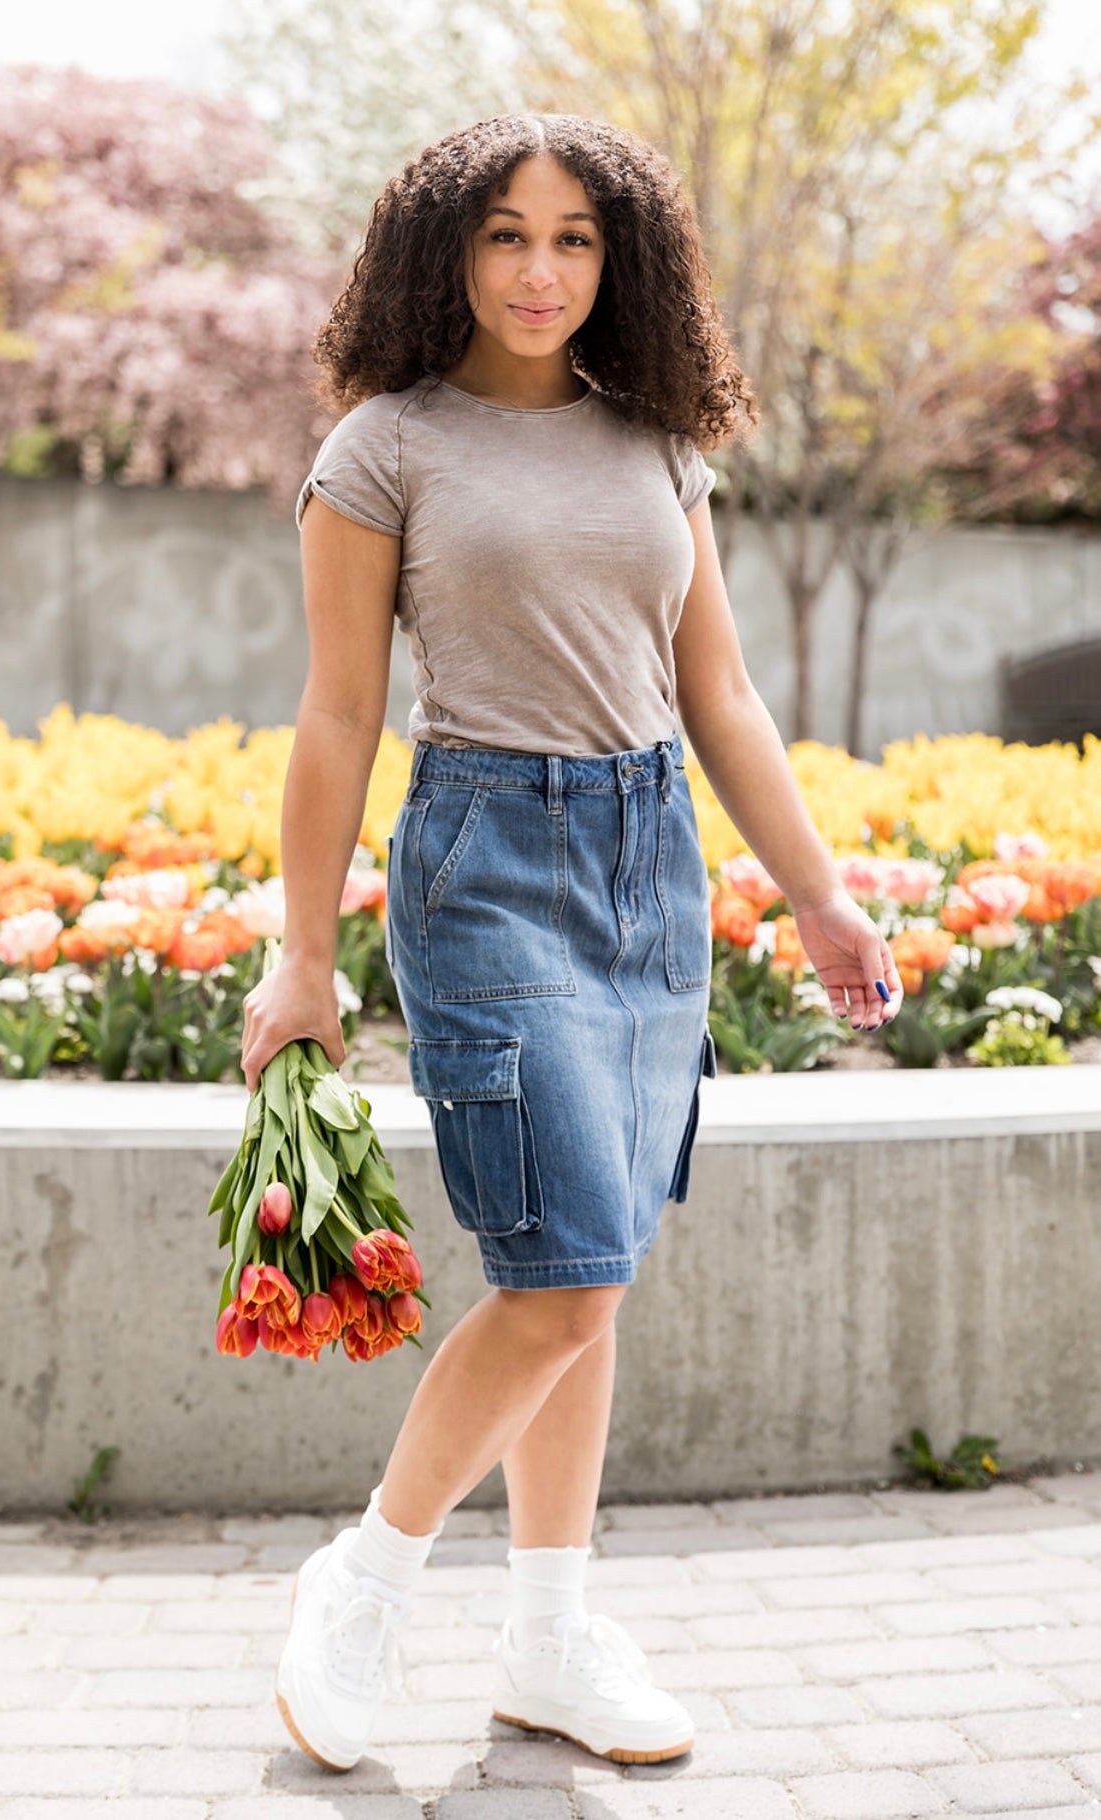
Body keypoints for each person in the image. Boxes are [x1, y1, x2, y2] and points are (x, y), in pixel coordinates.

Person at [241, 111, 903, 1774]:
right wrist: (301, 957)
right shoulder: (385, 446)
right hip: (486, 856)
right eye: (507, 236)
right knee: (568, 1269)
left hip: (649, 864)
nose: (542, 271)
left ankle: (548, 1639)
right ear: (445, 251)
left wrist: (816, 893)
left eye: (578, 240)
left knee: (591, 1279)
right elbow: (335, 715)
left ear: (625, 263)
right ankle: (369, 1574)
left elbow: (723, 695)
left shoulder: (657, 446)